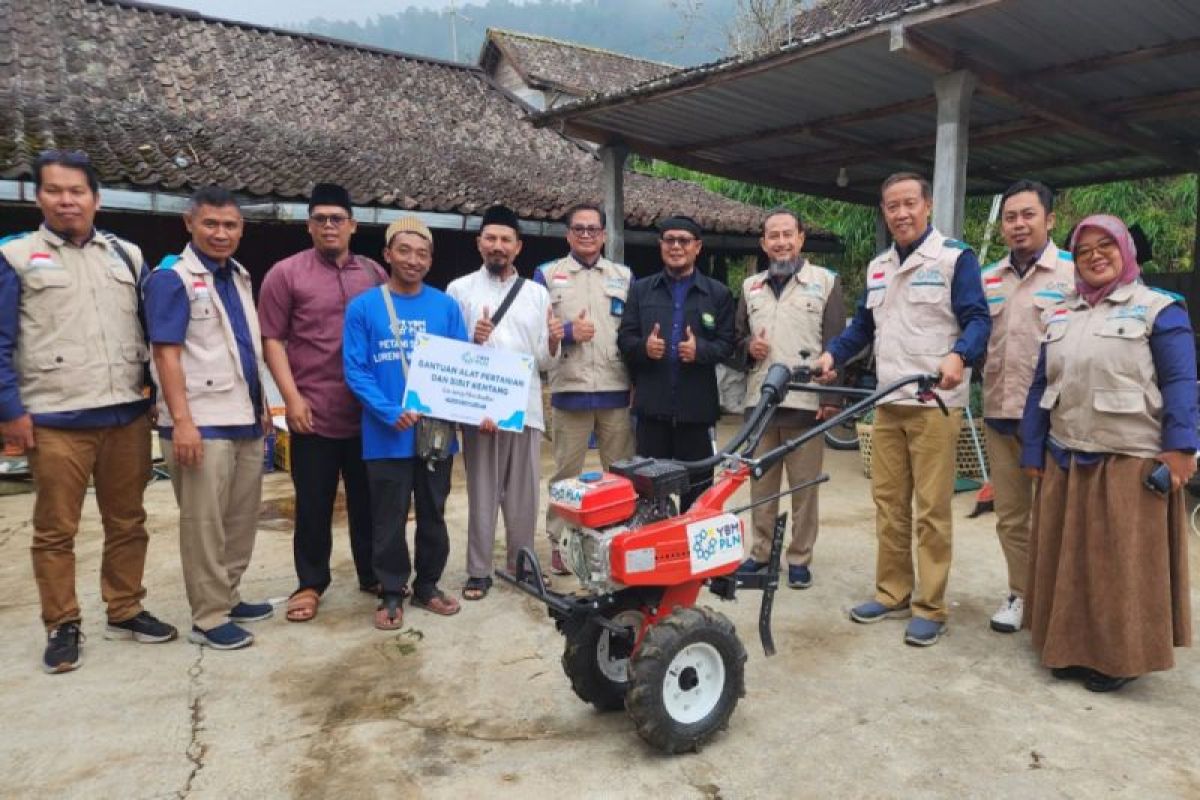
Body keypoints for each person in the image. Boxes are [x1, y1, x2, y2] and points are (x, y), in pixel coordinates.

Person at [0, 149, 176, 673]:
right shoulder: (16, 257)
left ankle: (124, 607)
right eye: (55, 190)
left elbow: (150, 332)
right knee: (56, 529)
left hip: (124, 414)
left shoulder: (126, 256)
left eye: (77, 191)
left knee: (129, 521)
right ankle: (62, 623)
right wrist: (10, 412)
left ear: (96, 199)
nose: (67, 200)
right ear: (39, 197)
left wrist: (154, 398)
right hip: (56, 419)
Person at [1020, 214, 1196, 692]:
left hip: (1129, 456)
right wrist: (1032, 447)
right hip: (1066, 453)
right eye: (1083, 250)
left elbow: (1181, 382)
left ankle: (1119, 659)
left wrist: (1182, 449)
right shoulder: (1061, 312)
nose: (1095, 256)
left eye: (1105, 246)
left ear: (1126, 251)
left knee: (1119, 566)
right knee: (1068, 562)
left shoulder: (1159, 309)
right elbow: (1041, 383)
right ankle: (1071, 648)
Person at [816, 172, 990, 647]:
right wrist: (833, 354)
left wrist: (960, 355)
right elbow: (861, 328)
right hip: (888, 402)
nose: (901, 213)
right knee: (889, 504)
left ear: (927, 206)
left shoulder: (956, 258)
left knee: (932, 508)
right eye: (892, 206)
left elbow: (977, 318)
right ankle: (892, 592)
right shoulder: (878, 267)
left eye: (909, 203)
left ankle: (930, 606)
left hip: (934, 403)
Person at [145, 186, 272, 651]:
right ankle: (209, 616)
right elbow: (166, 354)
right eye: (211, 224)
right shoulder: (171, 279)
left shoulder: (238, 276)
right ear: (190, 224)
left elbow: (244, 347)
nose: (221, 234)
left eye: (231, 225)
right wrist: (181, 421)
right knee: (203, 524)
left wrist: (261, 408)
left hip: (243, 417)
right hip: (200, 421)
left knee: (239, 519)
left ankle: (230, 595)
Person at [259, 183, 387, 624]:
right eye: (320, 219)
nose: (329, 226)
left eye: (337, 218)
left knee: (368, 501)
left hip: (368, 413)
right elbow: (272, 339)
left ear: (352, 225)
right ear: (309, 225)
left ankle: (372, 574)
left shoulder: (374, 274)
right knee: (313, 503)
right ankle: (310, 582)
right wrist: (289, 399)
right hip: (312, 410)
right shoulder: (286, 274)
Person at [343, 217, 468, 628]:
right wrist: (388, 411)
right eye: (404, 251)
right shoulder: (364, 307)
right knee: (389, 518)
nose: (413, 260)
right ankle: (392, 590)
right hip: (385, 435)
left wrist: (478, 409)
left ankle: (428, 585)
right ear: (387, 255)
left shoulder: (445, 307)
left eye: (422, 253)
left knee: (433, 512)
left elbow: (463, 367)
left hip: (435, 436)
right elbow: (355, 369)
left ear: (431, 259)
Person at [978, 180, 1075, 634]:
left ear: (1050, 220)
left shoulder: (1074, 276)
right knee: (1012, 515)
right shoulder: (989, 278)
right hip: (1000, 412)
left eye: (1028, 215)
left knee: (1058, 514)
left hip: (1057, 419)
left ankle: (1060, 599)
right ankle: (1020, 594)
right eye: (1011, 217)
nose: (1019, 225)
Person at [447, 204, 557, 601]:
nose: (497, 245)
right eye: (490, 238)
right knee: (482, 491)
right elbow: (449, 356)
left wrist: (557, 340)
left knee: (524, 493)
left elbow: (544, 360)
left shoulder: (536, 293)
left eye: (505, 239)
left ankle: (521, 562)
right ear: (479, 244)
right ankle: (478, 570)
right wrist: (470, 339)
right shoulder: (459, 290)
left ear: (518, 246)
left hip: (523, 407)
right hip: (478, 409)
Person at [735, 208, 845, 589]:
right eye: (773, 236)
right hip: (761, 403)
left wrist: (831, 399)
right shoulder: (750, 287)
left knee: (804, 487)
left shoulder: (826, 282)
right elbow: (735, 341)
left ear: (800, 238)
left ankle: (799, 557)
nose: (781, 242)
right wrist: (750, 346)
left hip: (807, 402)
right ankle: (761, 554)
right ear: (763, 243)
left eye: (788, 234)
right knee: (761, 485)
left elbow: (836, 343)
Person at [534, 203, 635, 575]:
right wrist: (568, 335)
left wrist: (636, 381)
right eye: (579, 229)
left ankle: (619, 537)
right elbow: (536, 331)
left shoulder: (624, 275)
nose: (587, 234)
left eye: (594, 229)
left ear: (605, 235)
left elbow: (632, 331)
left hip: (615, 386)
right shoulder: (546, 276)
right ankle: (560, 543)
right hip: (570, 385)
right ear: (568, 234)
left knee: (621, 472)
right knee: (566, 474)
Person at [617, 215, 736, 511]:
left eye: (684, 240)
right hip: (651, 412)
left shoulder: (717, 293)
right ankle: (655, 554)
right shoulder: (641, 290)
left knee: (697, 495)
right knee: (649, 495)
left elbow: (728, 345)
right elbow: (624, 339)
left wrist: (701, 351)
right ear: (660, 246)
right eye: (669, 240)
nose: (676, 246)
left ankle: (692, 556)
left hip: (696, 413)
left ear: (697, 247)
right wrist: (645, 347)